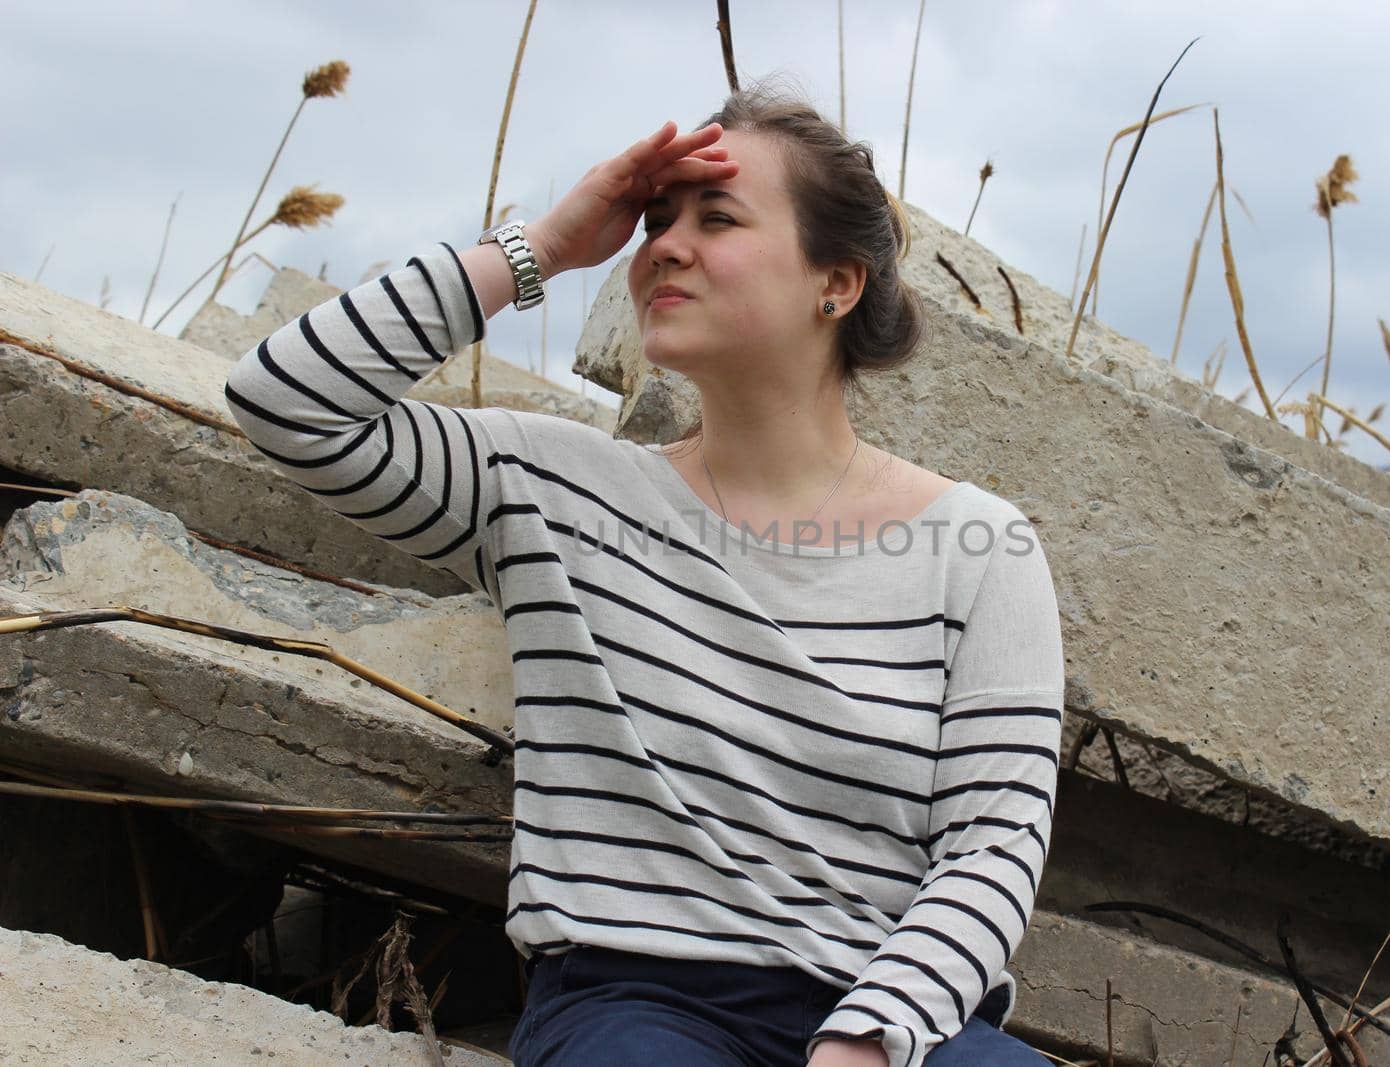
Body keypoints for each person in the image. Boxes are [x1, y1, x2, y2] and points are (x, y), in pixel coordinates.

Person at [224, 78, 1064, 1067]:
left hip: (892, 1018)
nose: (663, 243)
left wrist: (867, 1039)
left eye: (717, 216)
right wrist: (543, 246)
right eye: (655, 217)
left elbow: (989, 847)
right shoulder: (548, 488)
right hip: (634, 1007)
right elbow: (286, 402)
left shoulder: (979, 547)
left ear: (834, 283)